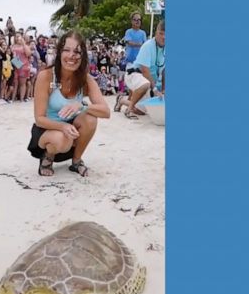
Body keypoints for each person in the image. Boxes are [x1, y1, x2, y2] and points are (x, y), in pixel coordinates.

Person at [27, 30, 110, 177]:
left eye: (77, 52)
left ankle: (76, 161)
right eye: (67, 50)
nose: (72, 56)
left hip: (72, 131)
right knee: (61, 139)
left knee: (90, 117)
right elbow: (39, 119)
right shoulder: (46, 76)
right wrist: (63, 126)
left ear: (83, 56)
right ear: (59, 53)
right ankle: (48, 156)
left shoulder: (86, 79)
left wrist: (82, 105)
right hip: (47, 130)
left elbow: (106, 111)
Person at [121, 20, 165, 118]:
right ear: (156, 33)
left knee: (142, 110)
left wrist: (163, 90)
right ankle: (129, 110)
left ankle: (122, 101)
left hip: (149, 80)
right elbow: (145, 71)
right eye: (161, 33)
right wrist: (155, 90)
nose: (163, 37)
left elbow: (165, 71)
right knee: (145, 84)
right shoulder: (148, 45)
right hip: (135, 74)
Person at [10, 32, 31, 102]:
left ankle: (22, 98)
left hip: (24, 66)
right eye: (16, 36)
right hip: (15, 65)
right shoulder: (12, 46)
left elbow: (28, 54)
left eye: (19, 36)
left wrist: (24, 43)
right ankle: (13, 98)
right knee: (15, 83)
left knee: (22, 83)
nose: (17, 38)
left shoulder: (25, 46)